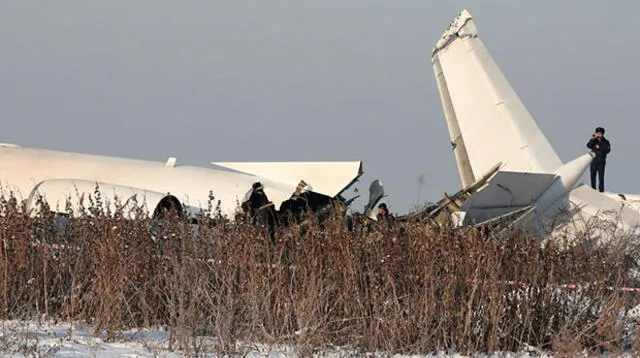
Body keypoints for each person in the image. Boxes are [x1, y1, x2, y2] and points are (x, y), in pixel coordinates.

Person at [586, 127, 611, 192]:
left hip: (601, 161)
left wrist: (599, 147)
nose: (598, 135)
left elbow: (607, 150)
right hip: (594, 160)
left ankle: (601, 190)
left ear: (602, 134)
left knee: (601, 176)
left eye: (600, 133)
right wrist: (593, 139)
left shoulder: (606, 141)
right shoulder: (594, 140)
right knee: (593, 175)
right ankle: (593, 189)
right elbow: (588, 145)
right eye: (597, 133)